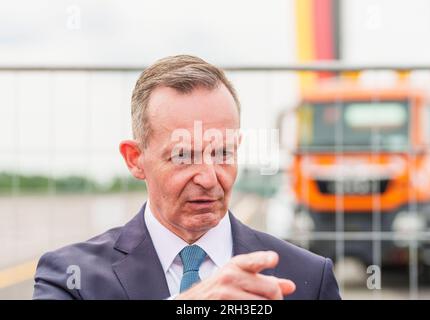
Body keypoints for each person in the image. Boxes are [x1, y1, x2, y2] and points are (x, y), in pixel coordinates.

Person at [33, 55, 341, 300]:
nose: (208, 178)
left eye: (222, 153)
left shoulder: (307, 277)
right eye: (184, 156)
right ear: (135, 159)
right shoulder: (71, 278)